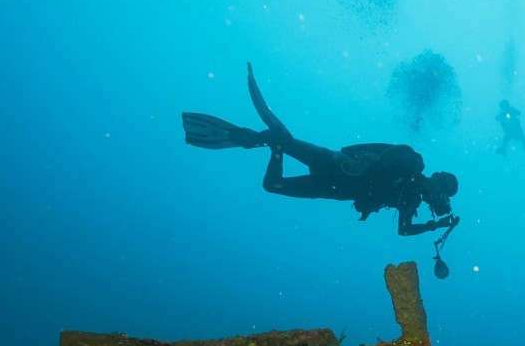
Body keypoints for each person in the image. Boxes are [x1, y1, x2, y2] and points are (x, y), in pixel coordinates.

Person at [182, 64, 460, 237]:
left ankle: (272, 144)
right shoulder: (413, 162)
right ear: (436, 176)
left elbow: (404, 230)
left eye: (443, 190)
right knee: (285, 144)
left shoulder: (409, 198)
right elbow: (384, 155)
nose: (438, 192)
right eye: (443, 184)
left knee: (273, 184)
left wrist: (433, 227)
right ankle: (262, 139)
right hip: (338, 166)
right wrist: (356, 156)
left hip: (336, 189)